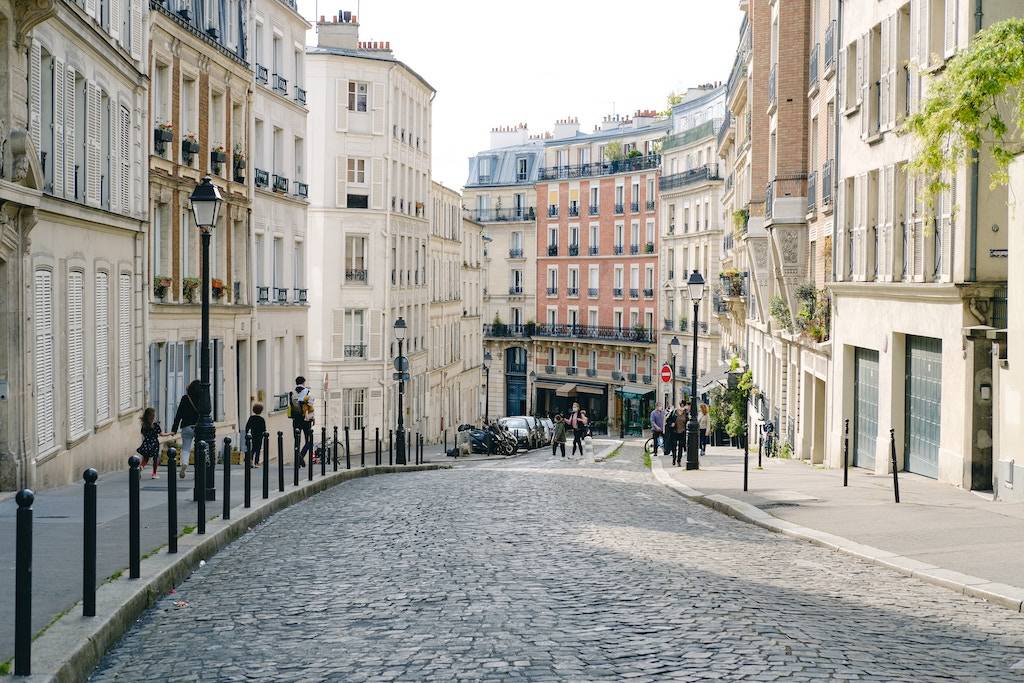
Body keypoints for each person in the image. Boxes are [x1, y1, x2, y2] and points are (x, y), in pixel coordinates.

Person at [170, 380, 203, 478]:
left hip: (186, 427)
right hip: (198, 427)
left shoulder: (185, 398)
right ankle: (198, 469)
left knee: (186, 448)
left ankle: (184, 464)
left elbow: (178, 414)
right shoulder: (201, 399)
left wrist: (174, 429)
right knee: (199, 448)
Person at [289, 376, 315, 466]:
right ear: (304, 382)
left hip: (296, 419)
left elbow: (291, 406)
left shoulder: (292, 393)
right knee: (309, 440)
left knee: (297, 440)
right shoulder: (307, 392)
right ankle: (301, 455)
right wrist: (313, 418)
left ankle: (297, 461)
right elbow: (311, 406)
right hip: (306, 419)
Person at [136, 407, 168, 479]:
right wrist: (170, 433)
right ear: (153, 416)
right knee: (155, 459)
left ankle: (141, 467)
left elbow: (142, 433)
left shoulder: (144, 425)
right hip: (154, 443)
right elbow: (161, 434)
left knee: (146, 458)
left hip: (146, 442)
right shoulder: (155, 425)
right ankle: (154, 474)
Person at [672, 400, 688, 466]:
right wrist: (672, 424)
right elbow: (668, 420)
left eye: (683, 405)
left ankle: (679, 460)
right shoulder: (674, 412)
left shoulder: (686, 413)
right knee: (674, 446)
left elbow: (688, 421)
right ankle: (674, 458)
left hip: (682, 431)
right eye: (681, 405)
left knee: (680, 447)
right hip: (675, 432)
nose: (682, 406)